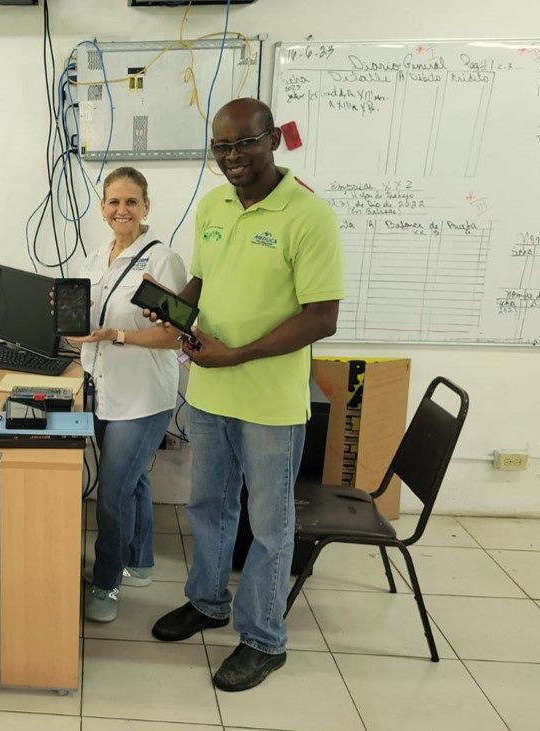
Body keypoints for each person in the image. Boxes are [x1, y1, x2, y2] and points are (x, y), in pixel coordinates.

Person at [147, 98, 343, 692]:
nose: (232, 158)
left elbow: (322, 317)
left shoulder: (308, 215)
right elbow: (204, 281)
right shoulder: (213, 205)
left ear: (272, 140)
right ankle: (208, 603)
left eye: (244, 144)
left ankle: (264, 639)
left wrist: (238, 353)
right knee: (208, 507)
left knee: (268, 525)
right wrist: (175, 307)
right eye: (221, 147)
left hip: (269, 404)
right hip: (208, 394)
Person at [70, 166, 185, 623]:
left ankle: (107, 582)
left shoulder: (161, 261)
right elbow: (89, 320)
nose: (122, 209)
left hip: (142, 398)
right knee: (132, 480)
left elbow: (177, 336)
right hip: (102, 389)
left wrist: (116, 335)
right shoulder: (97, 256)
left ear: (146, 207)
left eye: (131, 201)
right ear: (102, 208)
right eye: (114, 202)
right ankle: (139, 563)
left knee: (114, 491)